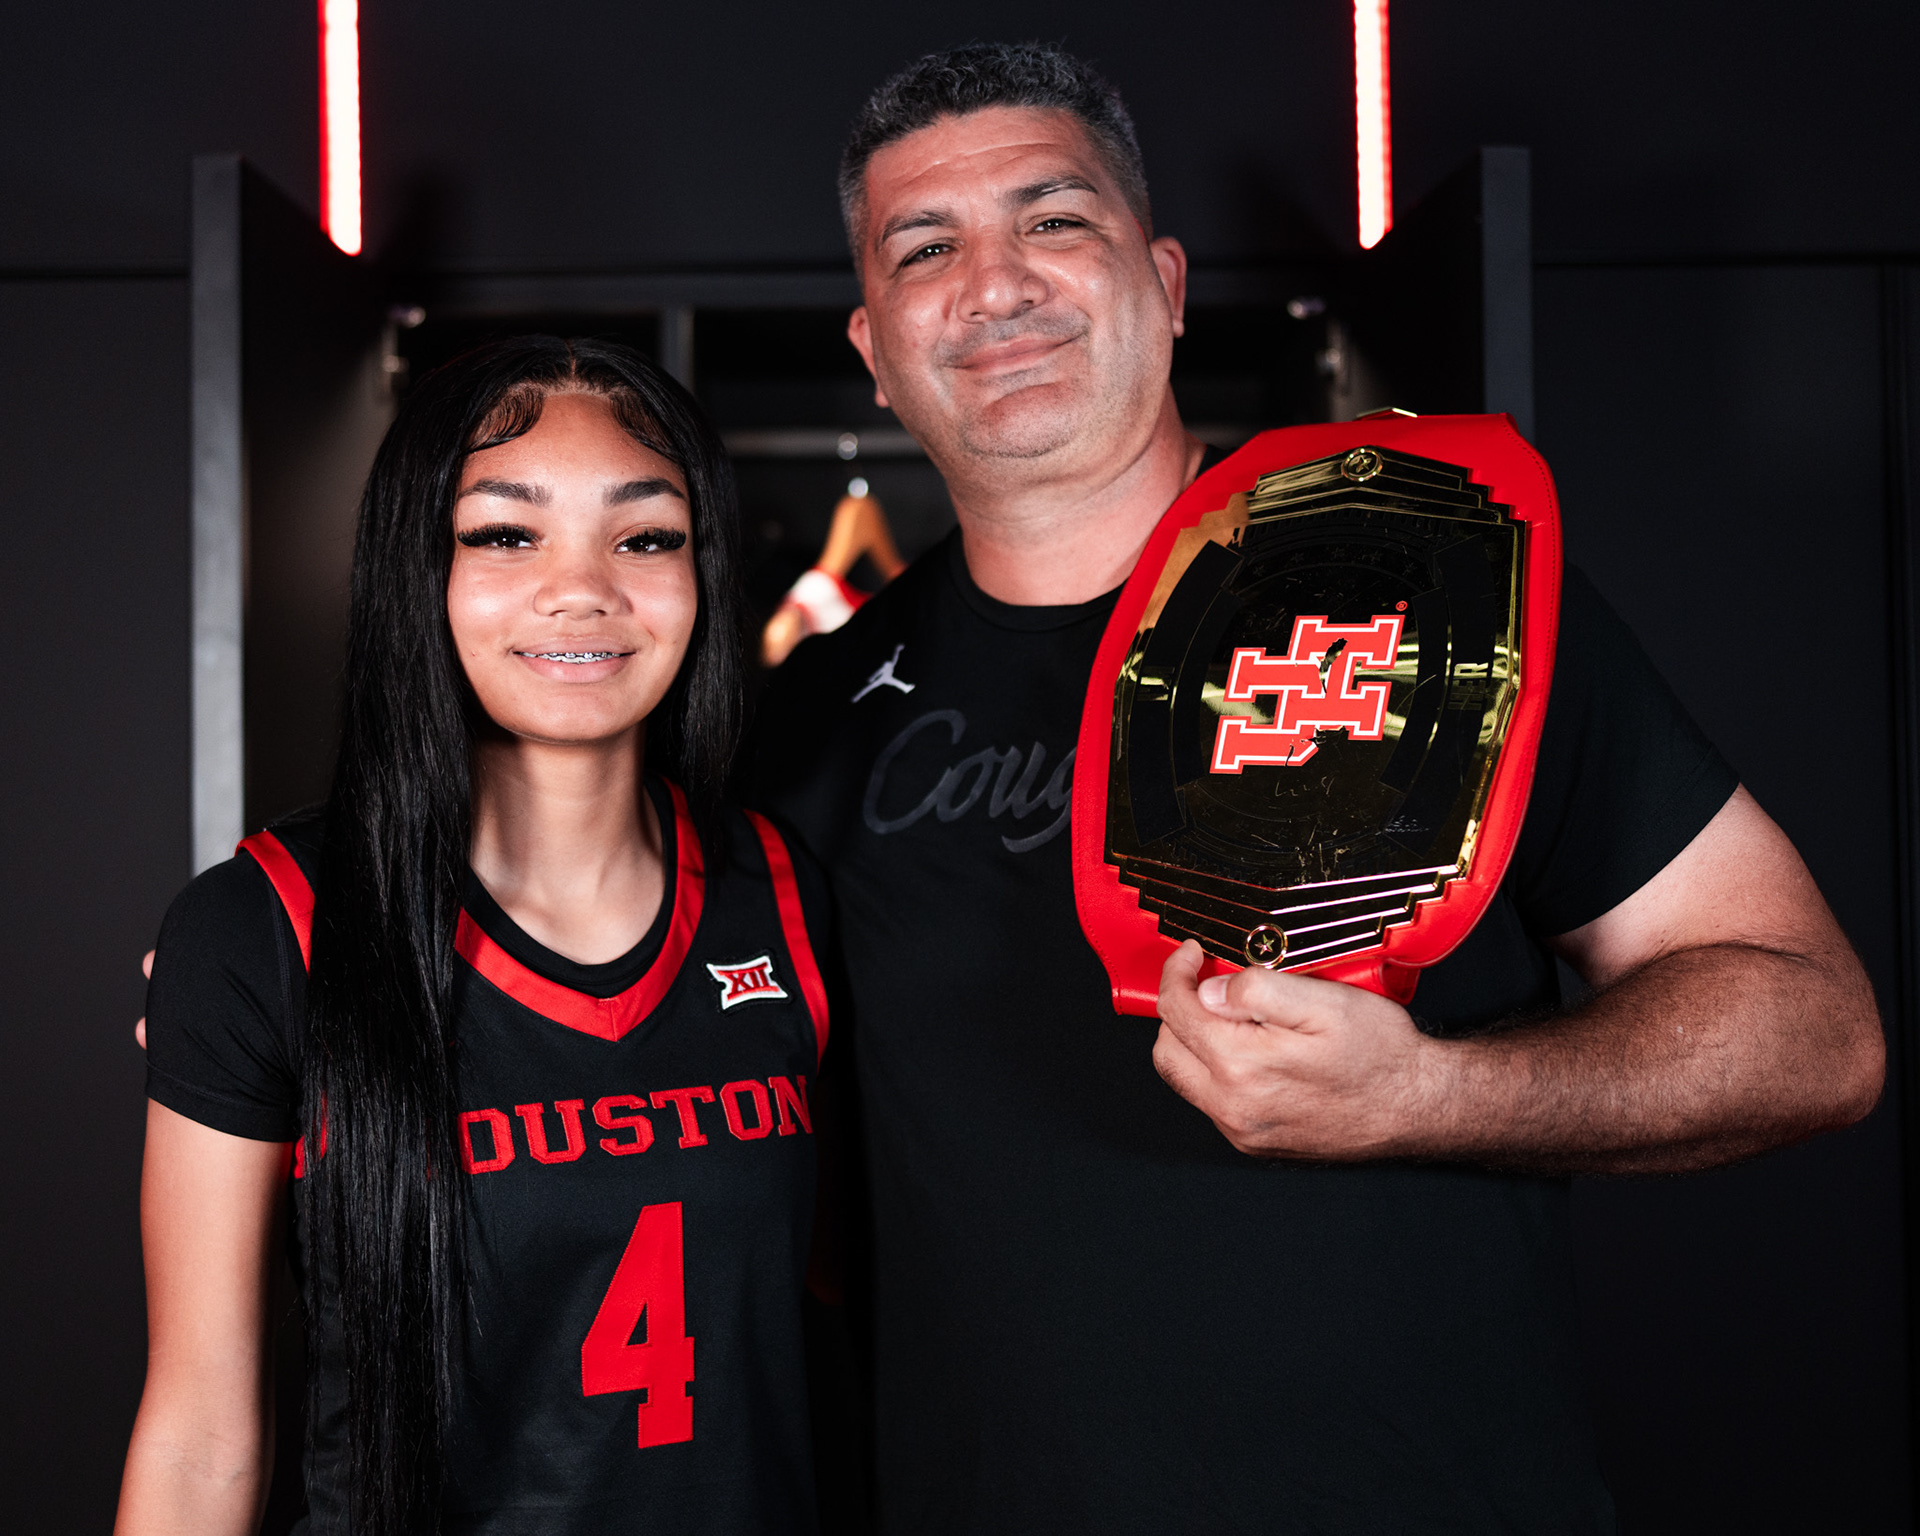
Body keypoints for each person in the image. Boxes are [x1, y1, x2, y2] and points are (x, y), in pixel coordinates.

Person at [745, 43, 1885, 1532]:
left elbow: (1815, 1030)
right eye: (925, 249)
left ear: (1164, 282)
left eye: (1055, 220)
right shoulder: (802, 728)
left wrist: (1432, 1097)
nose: (997, 284)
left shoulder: (1438, 594)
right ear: (875, 347)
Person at [118, 337, 831, 1535]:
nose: (582, 587)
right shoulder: (264, 926)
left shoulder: (783, 892)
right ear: (418, 567)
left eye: (645, 537)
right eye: (505, 534)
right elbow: (200, 1440)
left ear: (703, 572)